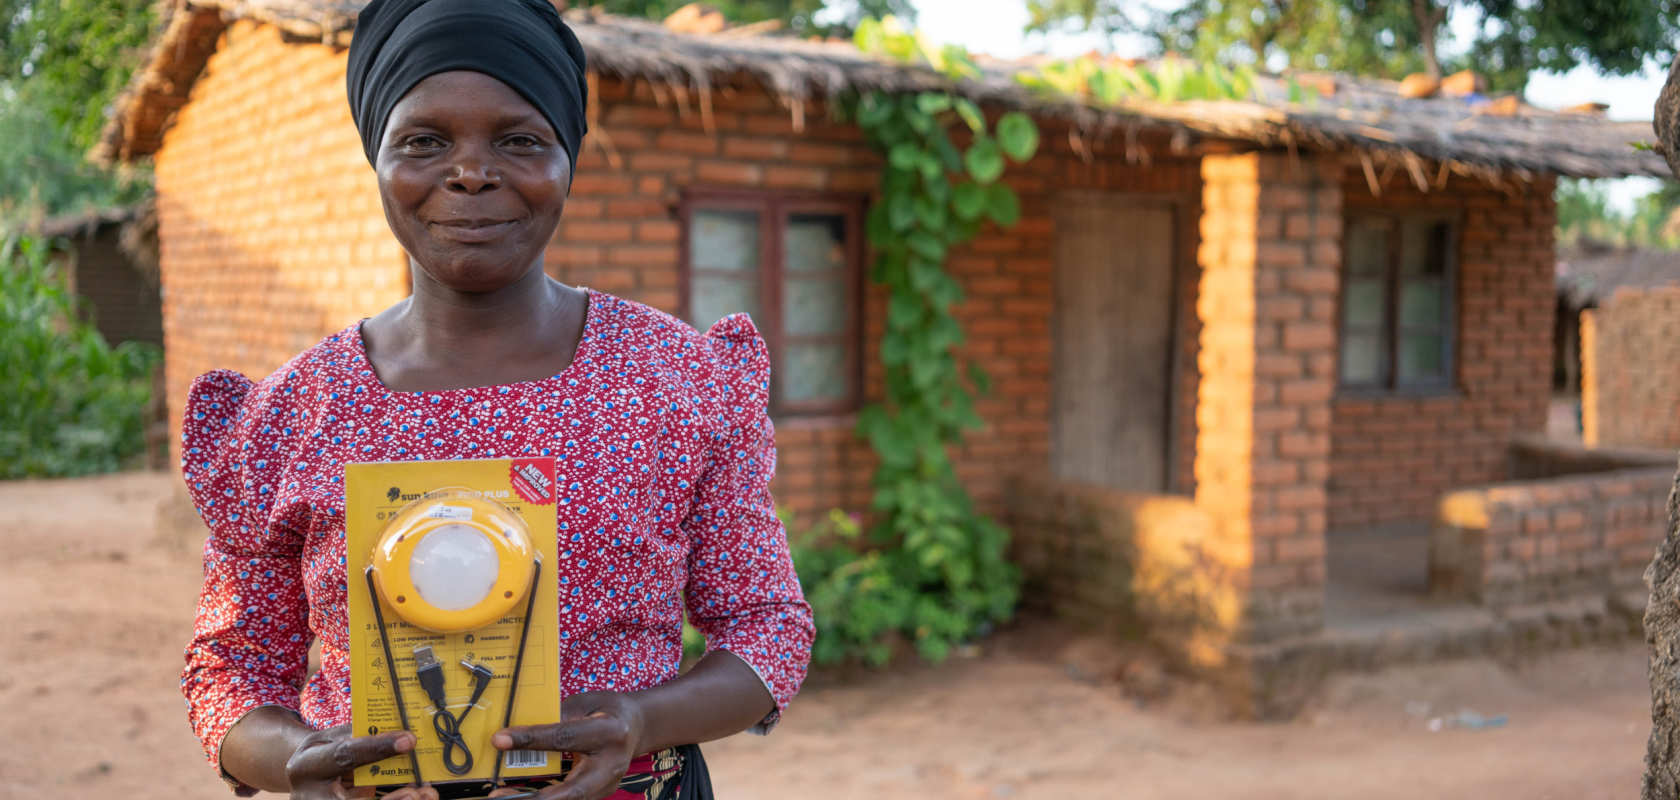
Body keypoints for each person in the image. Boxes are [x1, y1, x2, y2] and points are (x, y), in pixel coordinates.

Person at [177, 1, 814, 797]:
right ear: (376, 159)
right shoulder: (291, 415)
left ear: (567, 159)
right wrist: (295, 757)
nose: (471, 172)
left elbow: (768, 628)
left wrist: (642, 719)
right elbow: (231, 668)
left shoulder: (677, 379)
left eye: (519, 139)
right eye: (424, 141)